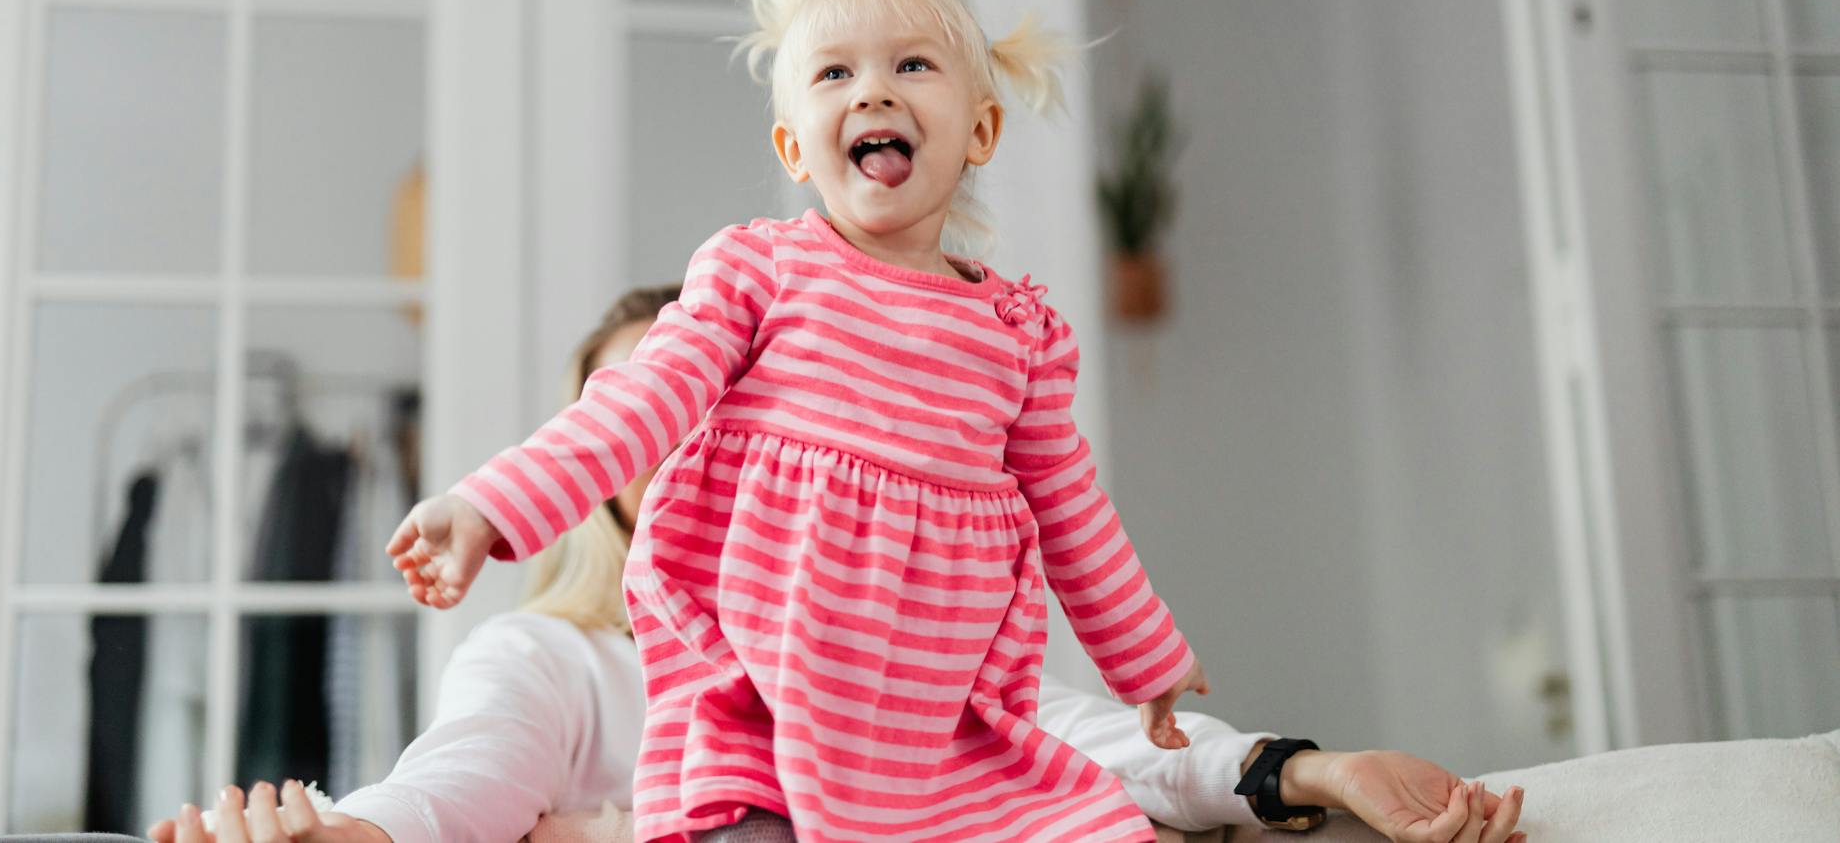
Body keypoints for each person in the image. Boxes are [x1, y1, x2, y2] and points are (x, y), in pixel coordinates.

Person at [384, 0, 1527, 843]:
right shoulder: (756, 271)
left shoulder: (1013, 329)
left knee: (1073, 814)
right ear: (794, 145)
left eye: (910, 64)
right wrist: (487, 507)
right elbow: (635, 407)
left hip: (934, 707)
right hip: (767, 691)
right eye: (834, 73)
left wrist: (1147, 662)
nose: (871, 89)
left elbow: (1070, 506)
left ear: (977, 126)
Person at [153, 287, 1524, 843]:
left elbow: (1085, 736)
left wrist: (1305, 770)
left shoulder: (897, 642)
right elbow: (466, 775)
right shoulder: (551, 660)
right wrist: (356, 831)